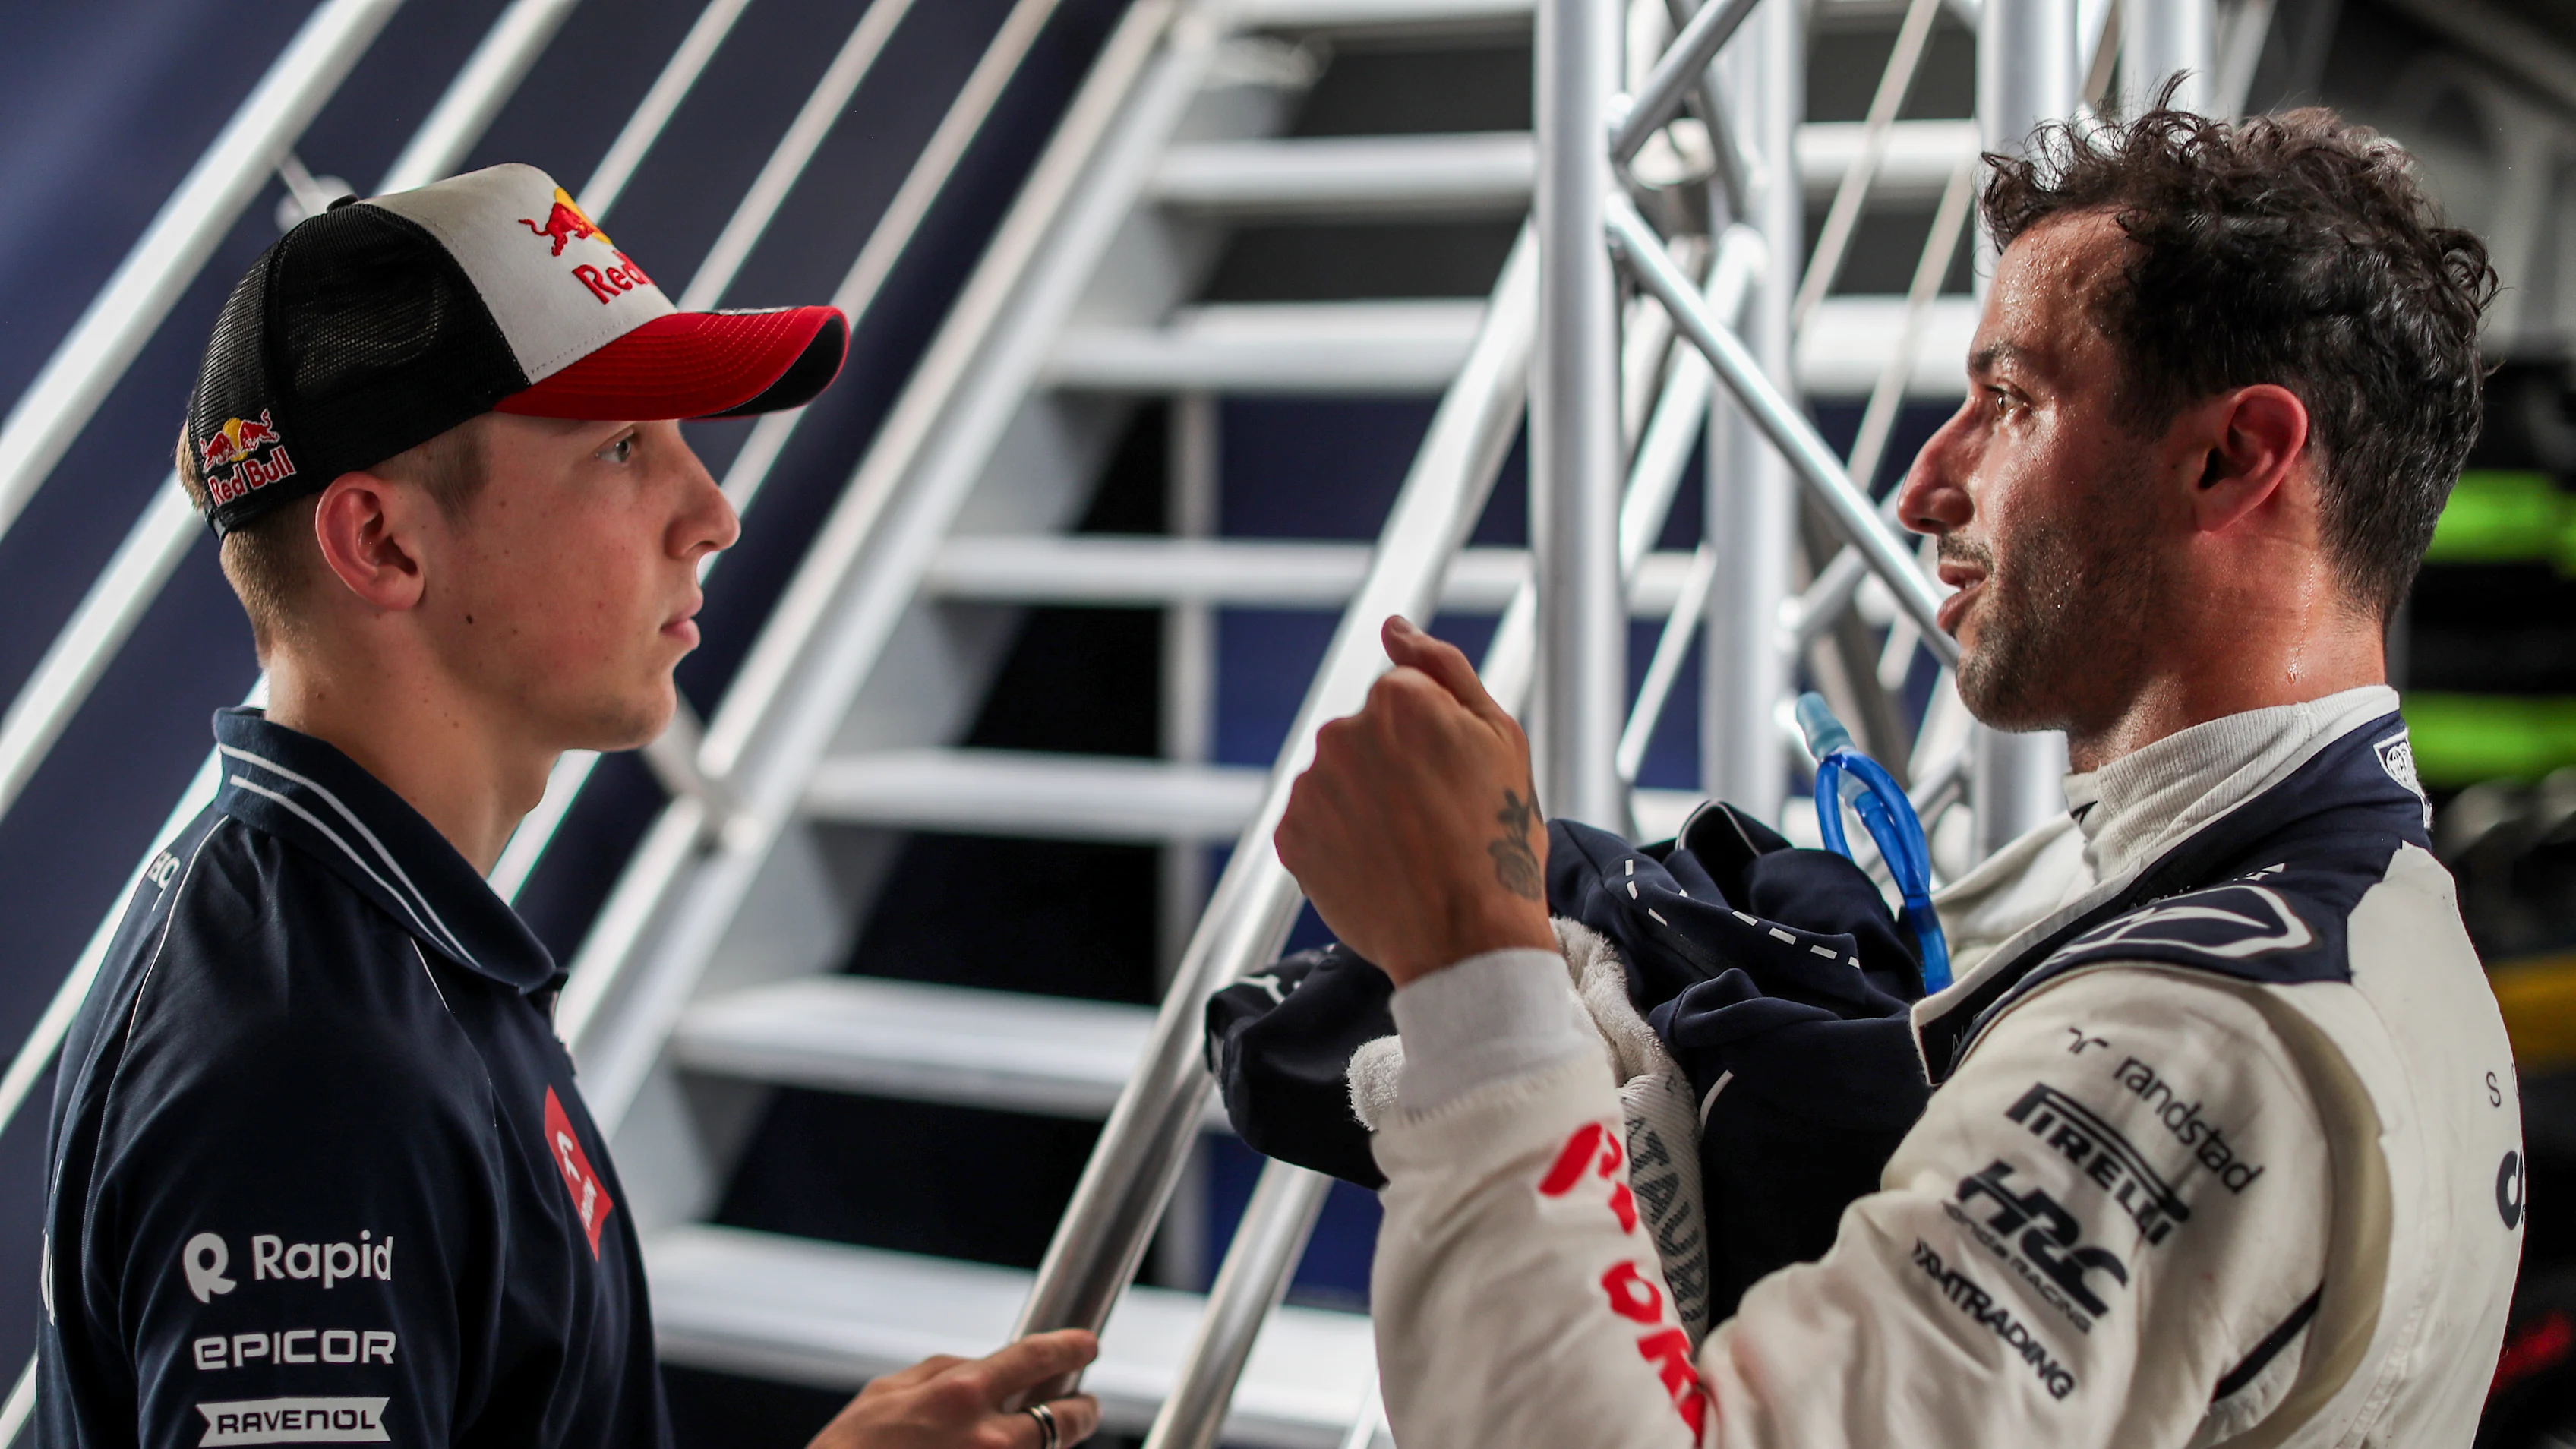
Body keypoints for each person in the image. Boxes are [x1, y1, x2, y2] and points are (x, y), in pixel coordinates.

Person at [1274, 104, 2521, 1447]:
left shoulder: (2195, 1043)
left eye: (2008, 402)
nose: (1927, 483)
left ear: (2231, 456)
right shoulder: (2365, 913)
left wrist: (1478, 966)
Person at [36, 163, 1100, 1449]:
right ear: (381, 544)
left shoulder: (364, 930)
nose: (714, 514)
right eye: (621, 447)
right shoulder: (312, 1068)